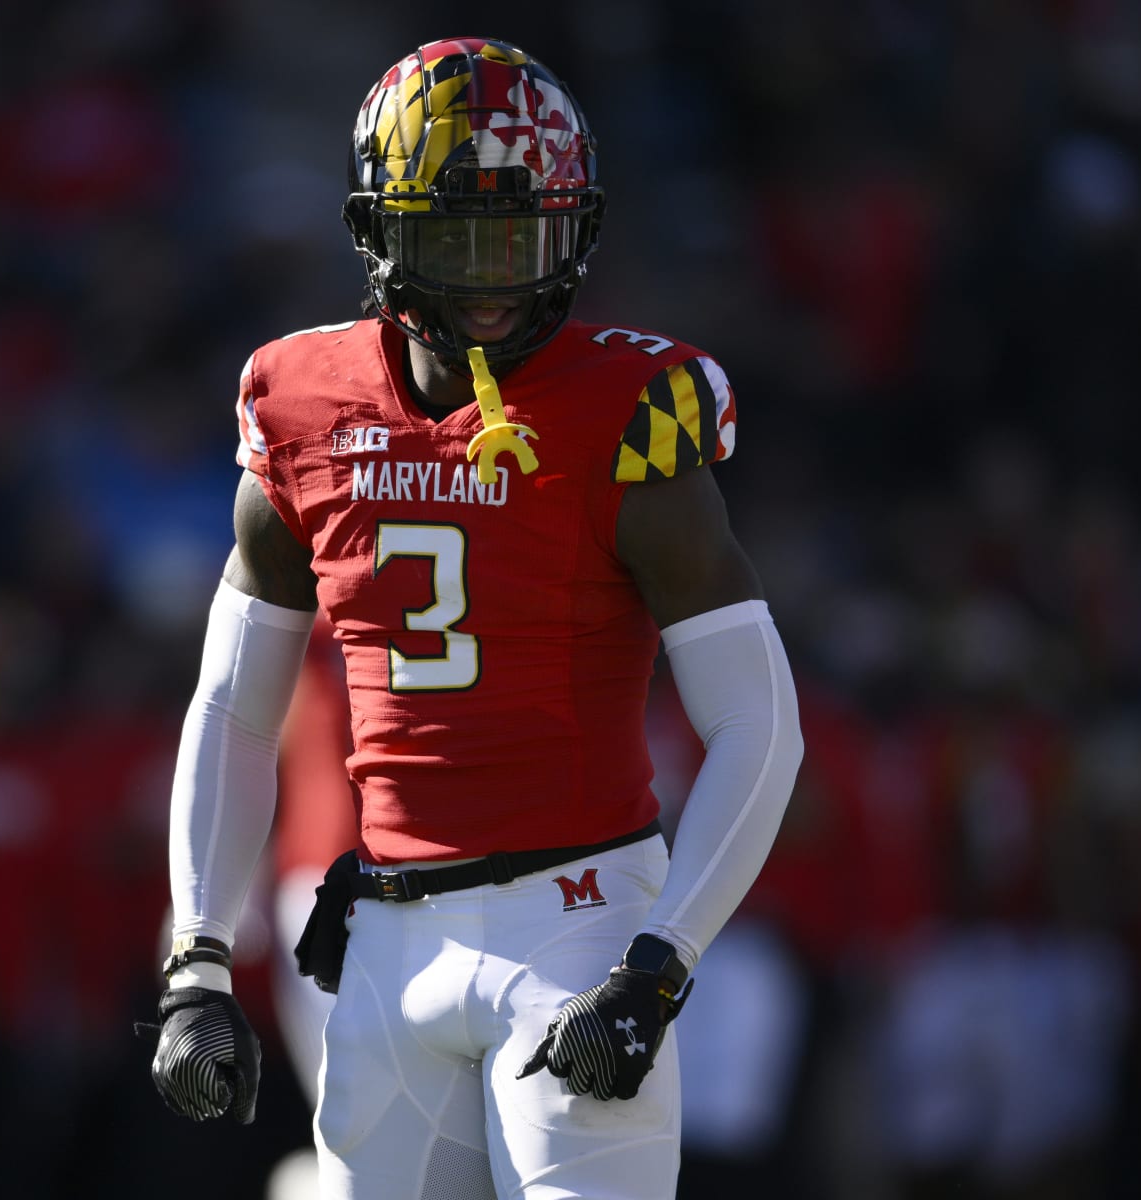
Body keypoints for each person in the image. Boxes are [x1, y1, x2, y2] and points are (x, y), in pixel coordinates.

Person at [138, 36, 805, 1200]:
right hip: (387, 941)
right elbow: (234, 709)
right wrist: (196, 957)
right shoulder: (301, 405)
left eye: (524, 235)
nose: (498, 277)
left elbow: (762, 726)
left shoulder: (627, 414)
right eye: (460, 238)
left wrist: (659, 965)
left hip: (578, 926)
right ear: (378, 229)